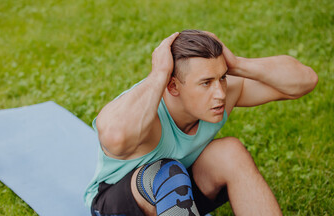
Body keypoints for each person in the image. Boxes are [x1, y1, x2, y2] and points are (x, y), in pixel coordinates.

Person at [84, 30, 318, 216]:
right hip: (117, 203)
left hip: (179, 195)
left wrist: (236, 64)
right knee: (168, 173)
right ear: (173, 86)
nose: (220, 93)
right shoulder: (146, 109)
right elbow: (115, 139)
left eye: (222, 77)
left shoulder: (222, 93)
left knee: (230, 152)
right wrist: (158, 74)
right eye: (206, 82)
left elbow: (305, 81)